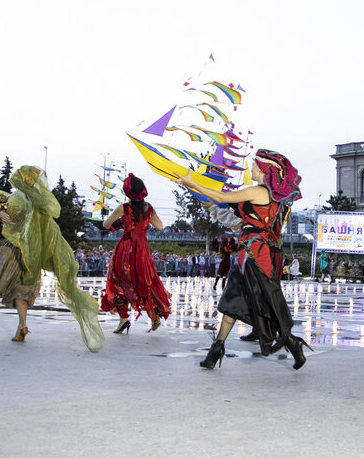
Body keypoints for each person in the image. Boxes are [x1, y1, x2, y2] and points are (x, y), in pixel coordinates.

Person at [176, 149, 310, 370]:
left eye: (255, 166)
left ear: (265, 170)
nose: (252, 169)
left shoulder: (258, 192)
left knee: (265, 303)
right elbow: (229, 207)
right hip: (249, 254)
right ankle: (217, 348)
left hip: (254, 255)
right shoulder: (267, 196)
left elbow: (222, 197)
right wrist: (210, 202)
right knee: (235, 299)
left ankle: (293, 343)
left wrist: (193, 182)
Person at [0, 166, 105, 351]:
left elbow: (0, 208)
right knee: (22, 292)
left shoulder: (17, 198)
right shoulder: (41, 203)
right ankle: (22, 325)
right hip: (33, 256)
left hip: (13, 250)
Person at [100, 174, 171, 334]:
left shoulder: (123, 208)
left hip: (125, 248)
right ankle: (153, 313)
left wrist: (121, 222)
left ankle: (124, 318)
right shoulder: (149, 208)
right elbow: (160, 226)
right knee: (143, 281)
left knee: (118, 280)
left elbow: (106, 224)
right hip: (142, 250)